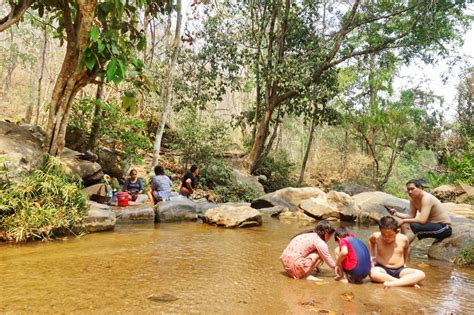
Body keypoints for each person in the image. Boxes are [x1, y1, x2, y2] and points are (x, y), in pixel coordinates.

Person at [387, 179, 452, 244]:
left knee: (414, 226)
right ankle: (402, 246)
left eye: (412, 189)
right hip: (432, 225)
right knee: (405, 225)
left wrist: (404, 220)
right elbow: (411, 215)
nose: (410, 192)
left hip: (444, 228)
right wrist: (396, 213)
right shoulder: (413, 199)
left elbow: (422, 220)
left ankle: (400, 247)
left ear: (420, 188)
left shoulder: (426, 198)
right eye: (408, 189)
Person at [369, 216, 425, 288]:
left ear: (397, 231)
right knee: (373, 274)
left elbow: (406, 249)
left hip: (399, 269)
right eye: (384, 235)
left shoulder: (403, 239)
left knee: (421, 274)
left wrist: (404, 263)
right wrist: (371, 255)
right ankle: (404, 282)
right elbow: (370, 241)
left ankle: (393, 283)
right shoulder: (376, 236)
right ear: (380, 231)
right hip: (382, 268)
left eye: (390, 235)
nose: (387, 238)